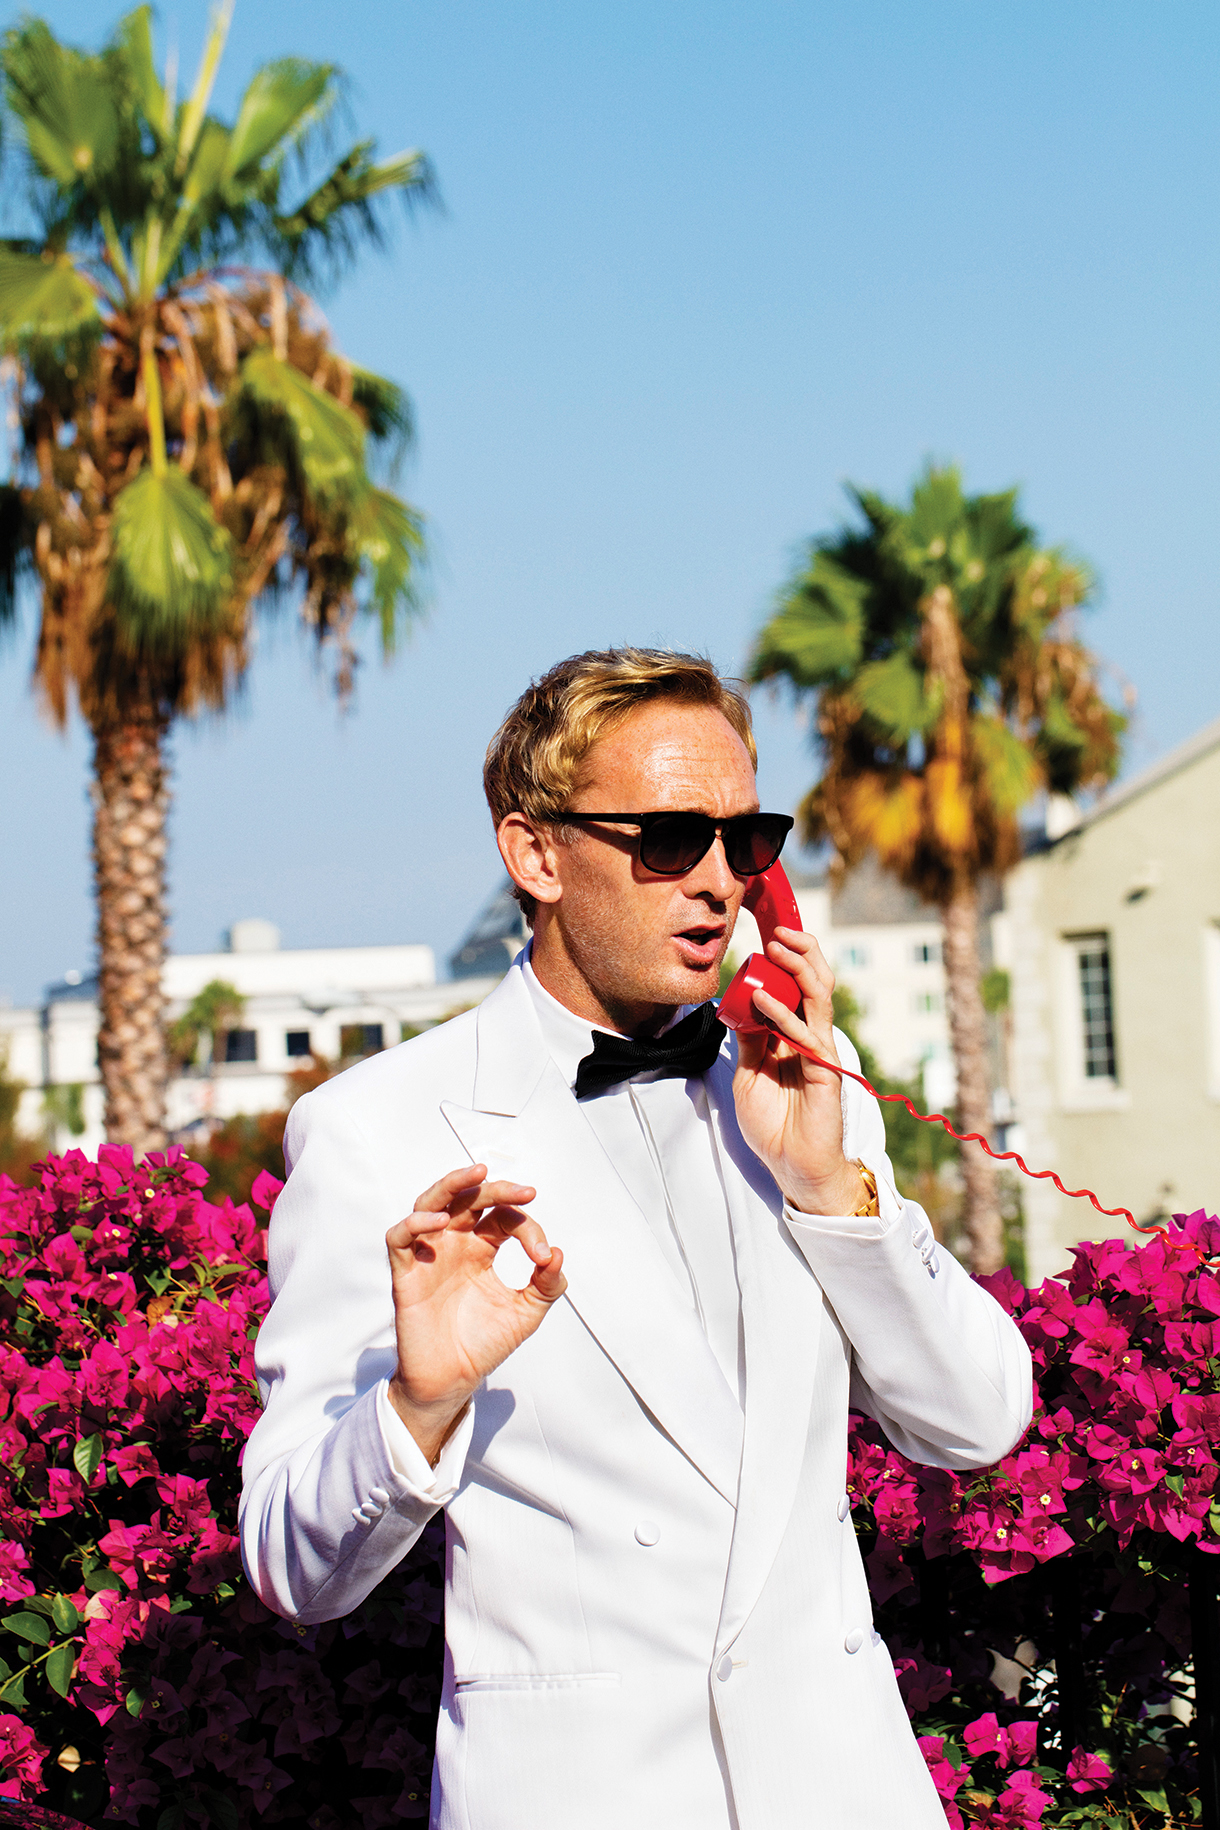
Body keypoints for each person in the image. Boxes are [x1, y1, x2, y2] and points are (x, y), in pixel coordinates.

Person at [240, 647, 1032, 1830]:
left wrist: (830, 1190)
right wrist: (418, 1405)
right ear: (535, 854)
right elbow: (293, 1567)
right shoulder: (376, 1129)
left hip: (842, 1794)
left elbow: (976, 1423)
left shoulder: (809, 1081)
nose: (717, 882)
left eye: (743, 839)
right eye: (667, 839)